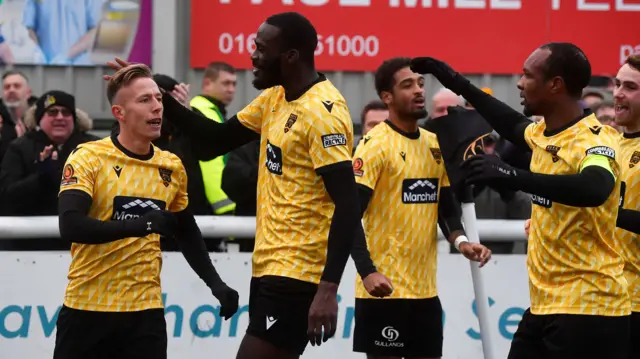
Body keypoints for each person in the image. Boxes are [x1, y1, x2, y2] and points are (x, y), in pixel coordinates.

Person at [106, 12, 362, 359]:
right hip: (269, 265)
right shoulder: (275, 97)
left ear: (290, 57)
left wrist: (328, 288)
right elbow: (214, 142)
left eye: (260, 49)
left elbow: (348, 203)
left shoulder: (322, 112)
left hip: (299, 271)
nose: (252, 56)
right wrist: (157, 95)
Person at [411, 43, 630, 359]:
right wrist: (454, 81)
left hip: (591, 307)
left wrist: (511, 175)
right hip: (546, 306)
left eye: (528, 75)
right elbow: (509, 122)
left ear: (555, 85)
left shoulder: (596, 139)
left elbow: (594, 188)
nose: (519, 82)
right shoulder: (544, 133)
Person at [54, 64, 239, 359]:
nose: (156, 108)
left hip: (145, 314)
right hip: (87, 310)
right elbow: (72, 226)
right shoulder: (89, 156)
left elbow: (186, 230)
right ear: (119, 113)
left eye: (158, 99)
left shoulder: (171, 165)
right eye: (144, 100)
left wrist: (216, 285)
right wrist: (141, 225)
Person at [350, 57, 491, 359]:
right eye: (407, 85)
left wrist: (462, 241)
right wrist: (368, 272)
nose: (418, 91)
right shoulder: (374, 145)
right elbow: (348, 216)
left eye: (421, 83)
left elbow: (445, 209)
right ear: (387, 97)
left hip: (425, 293)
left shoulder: (433, 143)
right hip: (383, 291)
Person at [612, 55, 640, 359]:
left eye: (630, 86)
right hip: (607, 298)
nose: (618, 92)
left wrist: (604, 211)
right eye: (617, 83)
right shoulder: (611, 144)